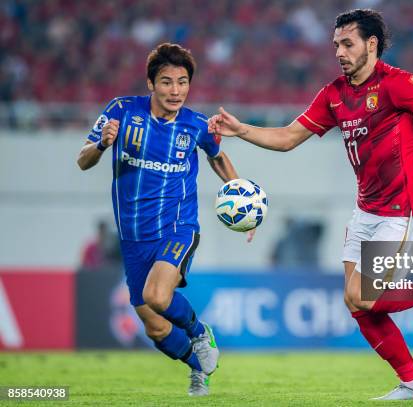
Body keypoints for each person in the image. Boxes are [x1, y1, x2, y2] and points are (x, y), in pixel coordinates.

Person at [208, 9, 413, 401]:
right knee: (359, 304)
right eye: (336, 46)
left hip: (404, 207)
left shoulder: (396, 84)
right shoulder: (333, 94)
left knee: (361, 295)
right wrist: (241, 130)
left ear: (372, 44)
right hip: (366, 209)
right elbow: (288, 137)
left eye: (348, 44)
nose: (340, 53)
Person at [77, 43, 252, 396]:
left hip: (177, 227)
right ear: (150, 84)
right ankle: (197, 368)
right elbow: (82, 160)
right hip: (132, 236)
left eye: (183, 82)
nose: (176, 91)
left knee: (157, 296)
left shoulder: (197, 124)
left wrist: (244, 202)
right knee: (155, 327)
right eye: (167, 82)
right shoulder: (121, 111)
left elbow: (217, 156)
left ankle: (201, 334)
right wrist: (101, 145)